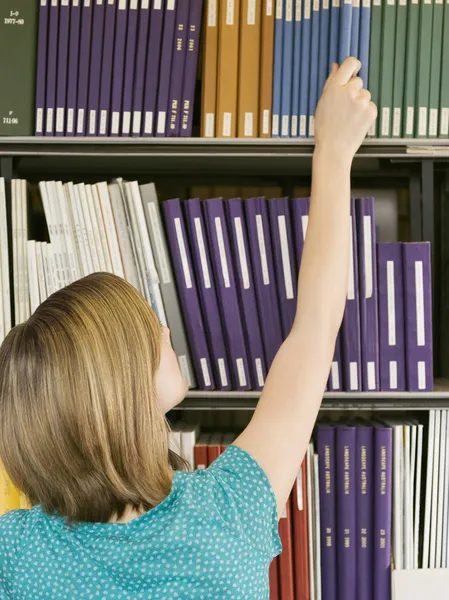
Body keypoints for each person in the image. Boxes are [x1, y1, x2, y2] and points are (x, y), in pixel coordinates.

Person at [0, 57, 376, 600]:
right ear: (119, 391)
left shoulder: (16, 552)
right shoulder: (227, 512)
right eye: (144, 329)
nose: (163, 329)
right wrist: (335, 153)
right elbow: (315, 331)